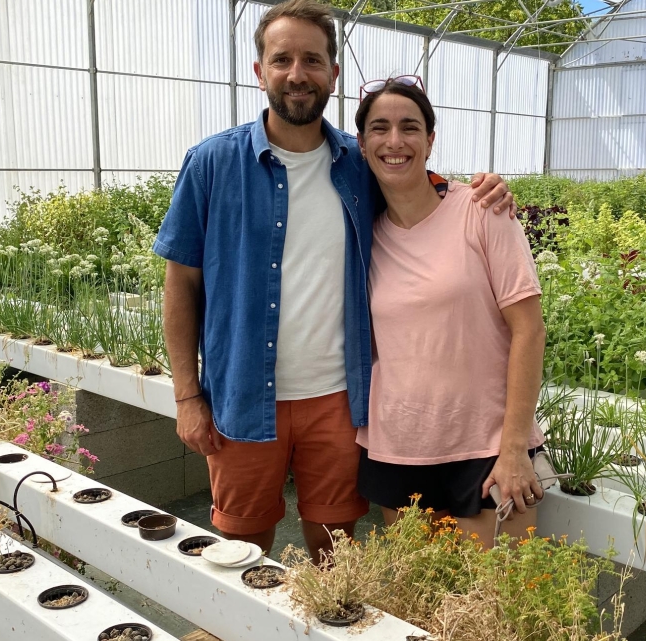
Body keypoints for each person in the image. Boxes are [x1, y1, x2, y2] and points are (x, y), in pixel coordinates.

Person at [152, 0, 514, 564]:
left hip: (340, 402)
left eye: (312, 60)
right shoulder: (212, 164)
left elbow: (418, 182)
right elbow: (181, 286)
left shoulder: (358, 163)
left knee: (335, 548)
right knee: (243, 548)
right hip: (243, 397)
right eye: (282, 60)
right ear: (260, 71)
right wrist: (187, 394)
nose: (297, 74)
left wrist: (483, 186)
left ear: (332, 74)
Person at [353, 77, 547, 547]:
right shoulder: (363, 233)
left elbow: (529, 330)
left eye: (409, 127)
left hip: (484, 445)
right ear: (361, 144)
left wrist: (514, 447)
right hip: (397, 444)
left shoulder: (481, 210)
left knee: (496, 602)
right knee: (419, 603)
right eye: (379, 129)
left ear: (430, 139)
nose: (394, 141)